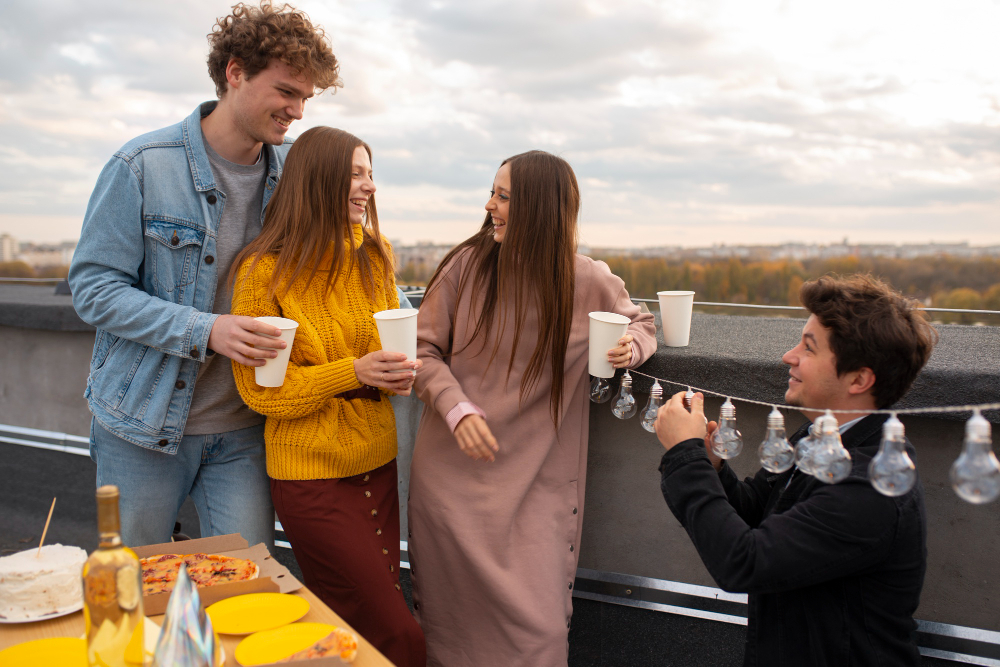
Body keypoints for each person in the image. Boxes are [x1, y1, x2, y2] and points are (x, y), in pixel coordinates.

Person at [67, 1, 340, 550]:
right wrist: (206, 329)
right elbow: (94, 289)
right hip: (140, 426)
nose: (297, 112)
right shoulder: (141, 164)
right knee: (141, 592)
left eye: (305, 98)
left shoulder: (294, 177)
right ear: (235, 72)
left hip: (245, 429)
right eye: (287, 91)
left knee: (247, 591)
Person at [408, 150, 657, 666]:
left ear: (541, 209)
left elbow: (641, 323)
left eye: (502, 196)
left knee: (540, 638)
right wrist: (456, 408)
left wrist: (629, 348)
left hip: (537, 493)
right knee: (447, 640)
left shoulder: (588, 279)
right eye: (493, 193)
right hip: (451, 493)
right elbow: (421, 351)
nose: (489, 205)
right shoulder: (463, 266)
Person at [655, 275, 937, 666]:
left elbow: (745, 562)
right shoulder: (823, 435)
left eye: (808, 347)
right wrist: (711, 463)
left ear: (859, 379)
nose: (789, 356)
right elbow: (756, 511)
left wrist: (685, 455)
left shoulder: (873, 486)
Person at [229, 127, 426, 666]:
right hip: (311, 478)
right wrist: (354, 372)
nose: (370, 187)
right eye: (357, 174)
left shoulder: (375, 256)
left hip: (378, 463)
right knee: (398, 635)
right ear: (320, 182)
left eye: (370, 173)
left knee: (350, 636)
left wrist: (395, 370)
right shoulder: (263, 273)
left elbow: (392, 341)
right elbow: (262, 393)